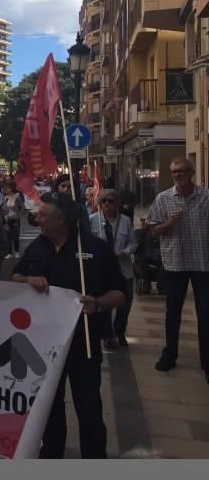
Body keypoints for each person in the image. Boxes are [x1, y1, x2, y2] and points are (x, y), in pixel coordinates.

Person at [12, 193, 127, 458]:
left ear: (59, 219)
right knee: (49, 408)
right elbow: (14, 276)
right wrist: (28, 280)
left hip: (83, 343)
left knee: (88, 410)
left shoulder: (95, 248)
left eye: (41, 214)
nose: (35, 218)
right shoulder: (37, 247)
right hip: (43, 346)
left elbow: (121, 293)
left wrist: (98, 303)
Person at [145, 158, 209, 383]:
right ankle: (170, 354)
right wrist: (169, 223)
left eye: (182, 171)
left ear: (191, 172)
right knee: (173, 313)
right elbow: (153, 230)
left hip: (203, 264)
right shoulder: (163, 199)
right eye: (174, 173)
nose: (178, 175)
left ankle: (207, 361)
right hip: (174, 264)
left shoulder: (206, 197)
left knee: (205, 314)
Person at [89, 189, 135, 349]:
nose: (107, 204)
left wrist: (124, 252)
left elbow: (133, 243)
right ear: (99, 204)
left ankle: (120, 332)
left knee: (125, 303)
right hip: (102, 271)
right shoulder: (92, 220)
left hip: (123, 268)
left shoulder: (126, 221)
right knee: (106, 303)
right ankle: (107, 336)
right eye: (104, 201)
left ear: (117, 203)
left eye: (111, 201)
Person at [3, 180, 23, 257]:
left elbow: (23, 208)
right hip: (7, 219)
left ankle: (17, 251)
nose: (5, 190)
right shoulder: (5, 197)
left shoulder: (17, 196)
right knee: (7, 236)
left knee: (15, 236)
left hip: (15, 219)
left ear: (11, 188)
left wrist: (17, 216)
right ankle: (9, 252)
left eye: (7, 188)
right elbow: (4, 208)